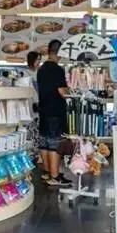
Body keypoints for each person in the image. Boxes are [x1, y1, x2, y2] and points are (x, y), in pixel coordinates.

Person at [37, 40, 72, 187]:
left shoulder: (41, 69)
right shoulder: (57, 70)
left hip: (43, 110)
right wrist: (71, 93)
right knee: (55, 144)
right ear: (60, 52)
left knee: (45, 142)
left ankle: (47, 172)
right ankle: (55, 176)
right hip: (55, 111)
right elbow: (62, 91)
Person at [24, 51, 41, 164]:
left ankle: (37, 154)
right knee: (31, 129)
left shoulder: (41, 72)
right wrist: (36, 101)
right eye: (37, 59)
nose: (39, 62)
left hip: (40, 106)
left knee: (38, 130)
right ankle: (31, 155)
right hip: (31, 106)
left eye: (40, 60)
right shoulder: (25, 73)